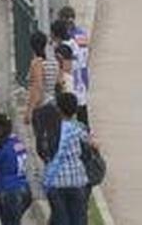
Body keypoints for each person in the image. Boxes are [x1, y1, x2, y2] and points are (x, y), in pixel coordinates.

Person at [43, 92, 96, 225]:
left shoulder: (49, 128)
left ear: (58, 109)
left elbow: (44, 151)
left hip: (55, 181)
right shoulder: (79, 127)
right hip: (76, 180)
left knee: (60, 220)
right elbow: (93, 145)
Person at [26, 30, 60, 162]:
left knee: (41, 145)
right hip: (53, 104)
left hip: (41, 107)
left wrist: (29, 110)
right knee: (52, 142)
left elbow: (37, 87)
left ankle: (49, 173)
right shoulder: (53, 62)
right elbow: (58, 83)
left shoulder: (36, 63)